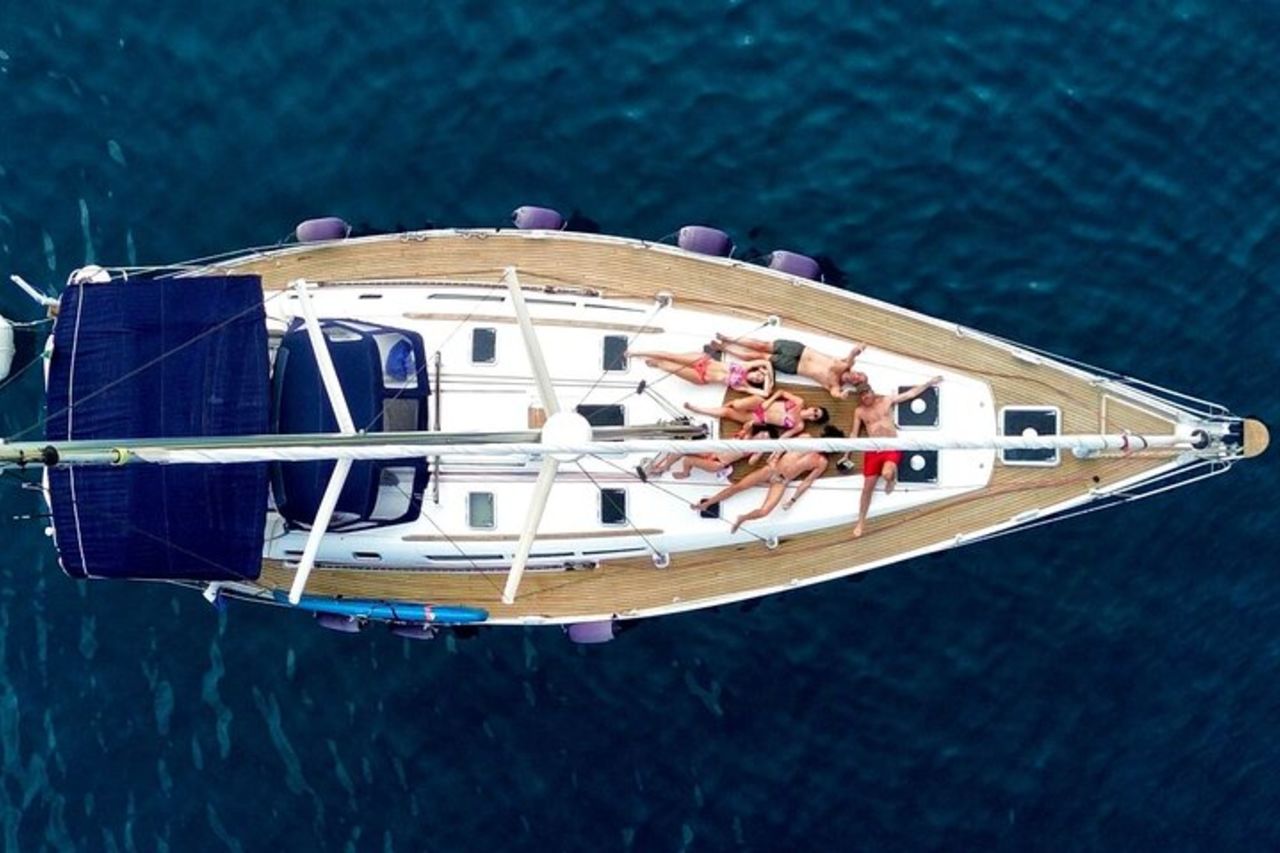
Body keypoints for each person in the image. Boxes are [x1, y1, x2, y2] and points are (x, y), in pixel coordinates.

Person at [692, 426, 844, 533]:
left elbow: (807, 482)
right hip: (772, 469)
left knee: (765, 511)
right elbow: (783, 445)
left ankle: (742, 518)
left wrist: (793, 500)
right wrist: (774, 458)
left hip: (782, 481)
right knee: (737, 487)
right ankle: (708, 503)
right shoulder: (807, 438)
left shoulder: (822, 462)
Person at [848, 375, 943, 538]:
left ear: (872, 391)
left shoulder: (886, 400)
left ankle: (891, 479)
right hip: (873, 450)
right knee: (866, 489)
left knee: (886, 473)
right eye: (862, 396)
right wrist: (846, 454)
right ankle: (861, 522)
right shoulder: (860, 412)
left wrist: (929, 383)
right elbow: (854, 433)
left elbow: (910, 394)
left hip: (891, 446)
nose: (865, 397)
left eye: (867, 393)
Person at [712, 333, 869, 398]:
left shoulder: (835, 384)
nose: (856, 376)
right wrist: (858, 349)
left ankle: (724, 348)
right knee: (763, 345)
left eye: (857, 379)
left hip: (794, 366)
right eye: (858, 374)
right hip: (800, 350)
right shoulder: (845, 364)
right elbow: (853, 354)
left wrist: (841, 396)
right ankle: (730, 338)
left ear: (853, 383)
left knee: (760, 356)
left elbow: (835, 393)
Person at [645, 423, 777, 479]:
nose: (763, 438)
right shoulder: (745, 434)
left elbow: (752, 463)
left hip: (718, 463)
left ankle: (686, 473)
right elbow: (752, 423)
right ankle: (664, 467)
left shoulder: (754, 450)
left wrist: (761, 449)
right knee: (682, 449)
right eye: (763, 434)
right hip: (710, 452)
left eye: (766, 439)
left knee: (687, 460)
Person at [683, 389, 828, 439]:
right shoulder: (800, 402)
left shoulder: (799, 425)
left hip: (759, 418)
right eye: (815, 410)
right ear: (813, 407)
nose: (813, 414)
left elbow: (784, 436)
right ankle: (735, 402)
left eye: (816, 416)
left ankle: (697, 409)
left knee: (727, 412)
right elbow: (781, 393)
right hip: (761, 404)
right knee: (738, 405)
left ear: (814, 421)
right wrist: (769, 401)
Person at [626, 349, 773, 396]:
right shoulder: (746, 365)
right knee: (672, 356)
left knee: (669, 366)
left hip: (701, 377)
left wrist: (767, 381)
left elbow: (766, 393)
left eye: (759, 380)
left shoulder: (744, 385)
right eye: (759, 375)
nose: (758, 377)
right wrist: (768, 374)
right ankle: (636, 352)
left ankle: (656, 363)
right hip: (704, 362)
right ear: (756, 370)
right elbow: (766, 362)